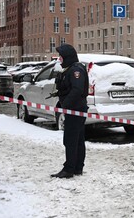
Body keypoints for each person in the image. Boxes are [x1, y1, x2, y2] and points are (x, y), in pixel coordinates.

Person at [51, 44, 89, 179]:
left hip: (75, 110)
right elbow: (70, 87)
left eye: (61, 56)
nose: (59, 59)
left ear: (67, 57)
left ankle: (69, 169)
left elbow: (77, 90)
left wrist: (65, 104)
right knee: (77, 140)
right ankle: (77, 167)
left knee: (71, 140)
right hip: (76, 109)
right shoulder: (71, 69)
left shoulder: (76, 70)